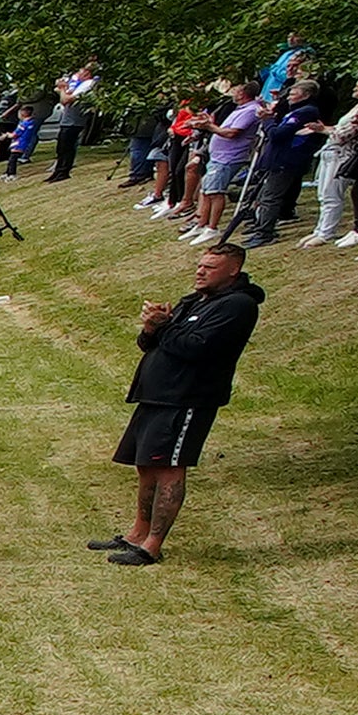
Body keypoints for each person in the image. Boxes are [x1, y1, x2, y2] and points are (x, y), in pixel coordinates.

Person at [109, 241, 265, 563]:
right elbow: (150, 343)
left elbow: (196, 347)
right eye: (200, 265)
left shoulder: (237, 306)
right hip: (156, 395)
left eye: (209, 267)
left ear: (233, 270)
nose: (200, 271)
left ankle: (152, 546)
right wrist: (152, 326)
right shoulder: (193, 301)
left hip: (187, 398)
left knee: (168, 468)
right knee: (146, 465)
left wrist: (165, 327)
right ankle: (136, 534)